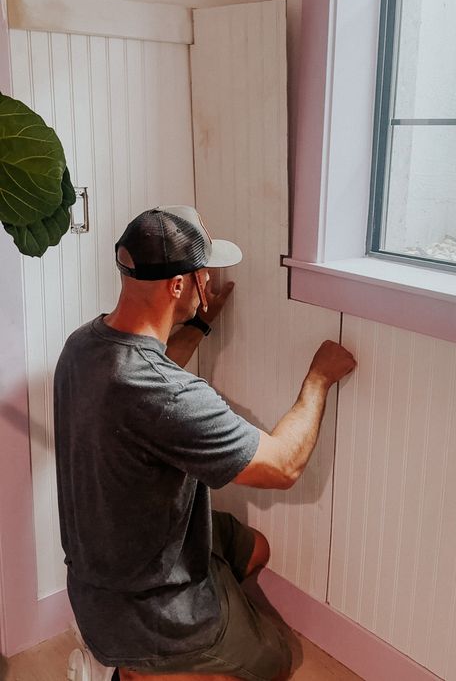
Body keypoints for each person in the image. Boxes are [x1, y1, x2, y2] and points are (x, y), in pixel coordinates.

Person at [54, 205, 356, 681]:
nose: (210, 284)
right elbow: (282, 466)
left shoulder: (83, 346)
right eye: (205, 275)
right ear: (181, 285)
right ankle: (141, 666)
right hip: (141, 609)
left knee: (254, 548)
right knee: (276, 660)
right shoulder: (166, 392)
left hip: (108, 566)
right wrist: (319, 379)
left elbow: (147, 393)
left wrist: (194, 324)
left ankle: (183, 636)